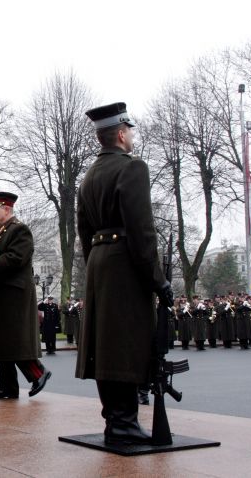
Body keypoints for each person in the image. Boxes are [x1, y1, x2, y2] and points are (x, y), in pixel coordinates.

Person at [76, 102, 173, 445]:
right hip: (125, 263)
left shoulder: (89, 176)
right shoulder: (132, 168)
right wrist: (158, 279)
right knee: (128, 341)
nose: (131, 136)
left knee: (106, 344)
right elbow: (142, 231)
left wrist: (95, 264)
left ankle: (115, 419)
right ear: (120, 134)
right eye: (129, 130)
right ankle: (124, 421)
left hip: (100, 261)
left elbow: (84, 231)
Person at [0, 192, 51, 399]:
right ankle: (8, 387)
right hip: (1, 291)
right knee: (1, 339)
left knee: (14, 339)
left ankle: (38, 373)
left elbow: (15, 259)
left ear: (7, 209)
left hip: (14, 294)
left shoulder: (19, 230)